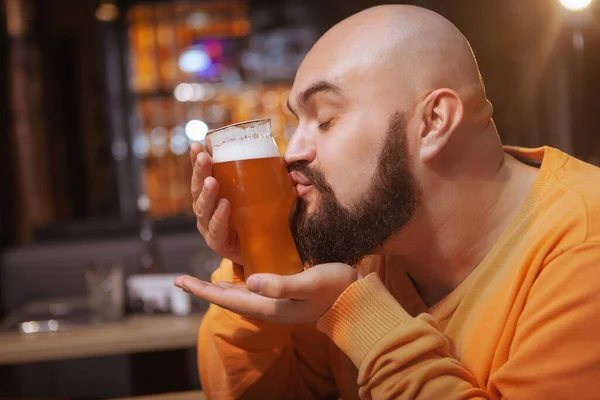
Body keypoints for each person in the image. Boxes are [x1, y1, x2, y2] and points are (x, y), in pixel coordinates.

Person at [175, 4, 600, 399]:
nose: (292, 152)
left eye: (325, 120)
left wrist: (356, 315)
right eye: (294, 123)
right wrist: (259, 254)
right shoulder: (367, 236)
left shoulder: (584, 250)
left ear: (434, 122)